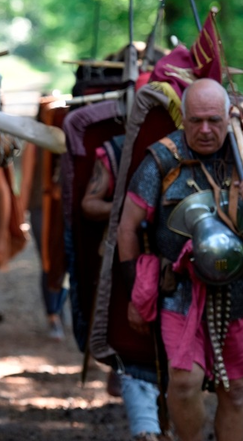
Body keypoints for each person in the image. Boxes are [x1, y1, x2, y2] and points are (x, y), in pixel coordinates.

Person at [117, 78, 243, 441]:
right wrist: (136, 292)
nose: (206, 130)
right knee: (183, 382)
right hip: (180, 290)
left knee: (236, 389)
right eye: (196, 121)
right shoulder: (162, 159)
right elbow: (127, 228)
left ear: (229, 117)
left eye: (214, 120)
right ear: (184, 119)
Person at [81, 134, 169, 441]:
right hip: (129, 264)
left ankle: (169, 423)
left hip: (185, 268)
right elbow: (89, 204)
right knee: (135, 349)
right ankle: (147, 429)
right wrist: (129, 209)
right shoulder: (117, 149)